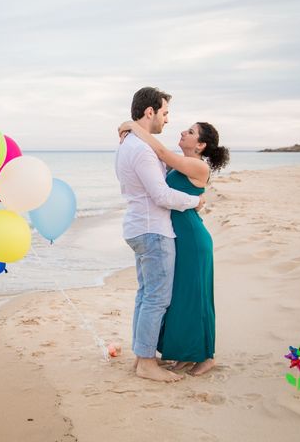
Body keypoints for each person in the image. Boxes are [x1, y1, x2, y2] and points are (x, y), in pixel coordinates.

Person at [118, 119, 229, 376]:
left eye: (190, 132)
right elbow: (156, 167)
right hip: (176, 235)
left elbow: (161, 152)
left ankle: (207, 355)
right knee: (181, 298)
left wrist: (135, 128)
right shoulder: (178, 164)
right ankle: (186, 353)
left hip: (192, 238)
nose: (182, 132)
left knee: (198, 296)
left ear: (200, 145)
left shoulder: (197, 165)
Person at [115, 87, 204, 382]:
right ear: (150, 112)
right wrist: (196, 201)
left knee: (146, 295)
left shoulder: (131, 143)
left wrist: (130, 127)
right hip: (153, 230)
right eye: (165, 113)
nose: (167, 120)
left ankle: (143, 356)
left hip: (140, 227)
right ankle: (145, 362)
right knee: (156, 299)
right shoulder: (140, 149)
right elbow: (161, 195)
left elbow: (165, 161)